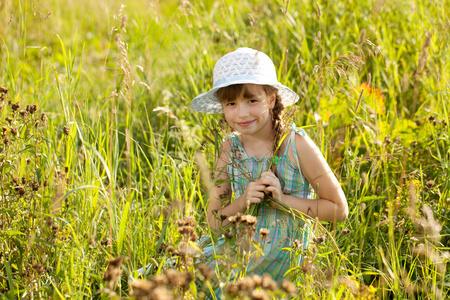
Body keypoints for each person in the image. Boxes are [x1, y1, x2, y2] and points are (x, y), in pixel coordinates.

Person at [191, 47, 348, 286]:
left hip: (286, 259)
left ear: (271, 99)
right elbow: (214, 222)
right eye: (231, 103)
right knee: (180, 277)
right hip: (239, 253)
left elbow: (339, 209)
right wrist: (243, 200)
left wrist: (284, 201)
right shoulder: (229, 148)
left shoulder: (297, 145)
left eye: (252, 100)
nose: (241, 113)